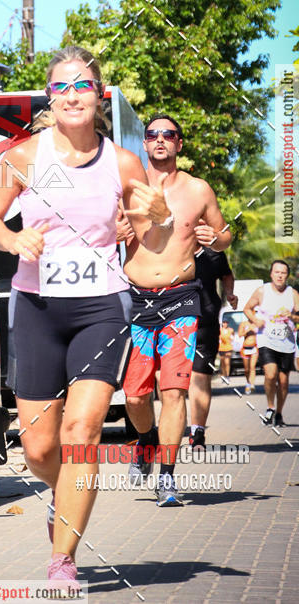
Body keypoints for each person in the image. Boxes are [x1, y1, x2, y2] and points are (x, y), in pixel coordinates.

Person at [0, 46, 173, 588]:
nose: (72, 96)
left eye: (82, 86)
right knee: (40, 446)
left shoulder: (123, 162)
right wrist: (15, 237)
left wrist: (157, 217)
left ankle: (62, 561)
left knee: (82, 429)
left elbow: (150, 232)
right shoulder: (22, 158)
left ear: (98, 96)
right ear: (49, 97)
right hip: (37, 306)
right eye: (61, 87)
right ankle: (64, 494)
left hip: (101, 307)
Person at [118, 114, 232, 506]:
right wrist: (113, 230)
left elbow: (224, 234)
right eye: (153, 135)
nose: (160, 140)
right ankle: (146, 440)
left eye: (169, 135)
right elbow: (100, 229)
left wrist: (214, 238)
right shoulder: (129, 189)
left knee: (174, 392)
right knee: (134, 396)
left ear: (179, 144)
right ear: (144, 144)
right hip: (137, 301)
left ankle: (166, 476)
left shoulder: (198, 189)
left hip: (182, 299)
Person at [188, 247, 237, 448]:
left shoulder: (214, 252)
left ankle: (197, 432)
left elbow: (226, 275)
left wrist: (230, 294)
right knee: (168, 381)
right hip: (171, 324)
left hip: (204, 323)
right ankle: (161, 431)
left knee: (200, 377)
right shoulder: (168, 243)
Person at [244, 260, 299, 427]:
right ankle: (270, 407)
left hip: (287, 342)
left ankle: (279, 413)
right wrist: (255, 319)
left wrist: (292, 317)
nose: (280, 275)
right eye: (277, 272)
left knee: (283, 382)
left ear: (287, 276)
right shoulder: (262, 291)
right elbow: (247, 308)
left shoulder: (293, 293)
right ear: (271, 274)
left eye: (283, 273)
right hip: (266, 340)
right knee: (270, 374)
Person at [238, 316, 259, 394]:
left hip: (254, 347)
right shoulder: (243, 324)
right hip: (245, 348)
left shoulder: (256, 324)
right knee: (247, 369)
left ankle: (252, 385)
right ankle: (248, 383)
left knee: (252, 367)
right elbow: (240, 334)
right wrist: (247, 330)